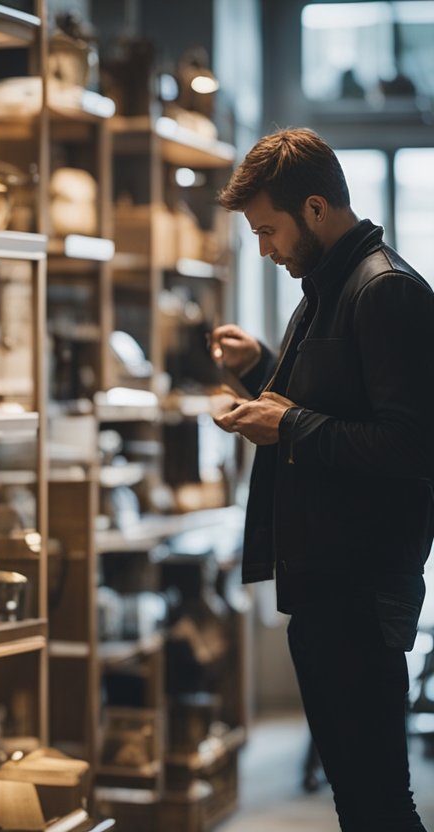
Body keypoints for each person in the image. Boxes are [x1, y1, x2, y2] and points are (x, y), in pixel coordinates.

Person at [212, 127, 433, 831]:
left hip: (360, 594)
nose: (264, 249)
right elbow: (336, 405)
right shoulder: (330, 285)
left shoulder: (385, 291)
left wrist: (288, 425)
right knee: (357, 802)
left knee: (377, 805)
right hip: (326, 587)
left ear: (315, 209)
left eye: (268, 230)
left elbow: (410, 447)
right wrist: (261, 367)